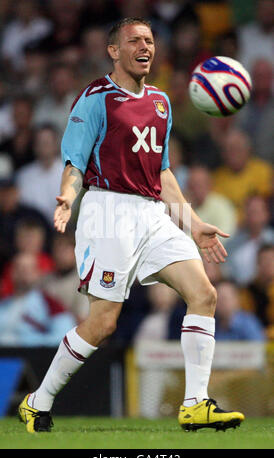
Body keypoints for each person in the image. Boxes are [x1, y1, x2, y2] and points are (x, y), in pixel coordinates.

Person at [19, 17, 244, 434]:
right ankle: (38, 400)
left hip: (152, 212)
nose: (146, 46)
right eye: (135, 40)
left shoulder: (161, 102)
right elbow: (74, 162)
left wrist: (192, 224)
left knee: (204, 294)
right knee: (103, 323)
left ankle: (195, 403)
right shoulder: (95, 99)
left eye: (150, 40)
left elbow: (163, 173)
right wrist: (68, 197)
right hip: (109, 212)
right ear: (114, 51)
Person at [0, 252, 75, 347]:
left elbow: (64, 336)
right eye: (18, 268)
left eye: (29, 269)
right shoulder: (3, 304)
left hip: (32, 358)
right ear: (11, 272)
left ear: (38, 273)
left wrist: (24, 342)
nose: (23, 273)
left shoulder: (50, 304)